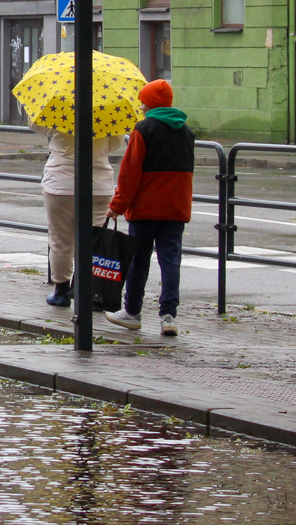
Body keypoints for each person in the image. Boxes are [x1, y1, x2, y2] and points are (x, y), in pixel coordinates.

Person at [108, 78, 196, 336]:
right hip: (174, 210)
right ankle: (168, 315)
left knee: (138, 261)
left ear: (151, 103)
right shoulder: (186, 131)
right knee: (170, 261)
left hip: (145, 210)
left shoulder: (143, 129)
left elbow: (130, 173)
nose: (142, 106)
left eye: (144, 101)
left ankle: (132, 312)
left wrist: (117, 206)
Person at [33, 119, 126, 309]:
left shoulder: (59, 110)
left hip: (60, 183)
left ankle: (61, 292)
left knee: (60, 239)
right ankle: (91, 293)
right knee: (94, 241)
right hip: (98, 184)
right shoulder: (106, 110)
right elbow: (115, 145)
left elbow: (36, 125)